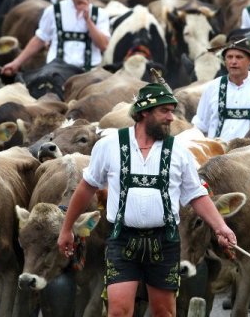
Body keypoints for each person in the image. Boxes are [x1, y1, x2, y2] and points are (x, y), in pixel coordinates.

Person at [57, 82, 237, 316]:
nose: (171, 117)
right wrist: (66, 228)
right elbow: (86, 188)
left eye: (172, 110)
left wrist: (221, 227)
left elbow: (196, 194)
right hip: (122, 239)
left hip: (164, 240)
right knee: (118, 311)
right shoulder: (109, 146)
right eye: (164, 111)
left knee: (164, 312)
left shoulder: (178, 151)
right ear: (144, 112)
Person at [1, 0, 110, 75]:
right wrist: (16, 63)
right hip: (57, 73)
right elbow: (40, 39)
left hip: (90, 73)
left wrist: (88, 21)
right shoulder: (53, 11)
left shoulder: (100, 14)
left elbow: (104, 45)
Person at [192, 38, 250, 142]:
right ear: (224, 60)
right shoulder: (212, 88)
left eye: (239, 57)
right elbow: (199, 126)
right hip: (216, 155)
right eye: (229, 57)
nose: (233, 62)